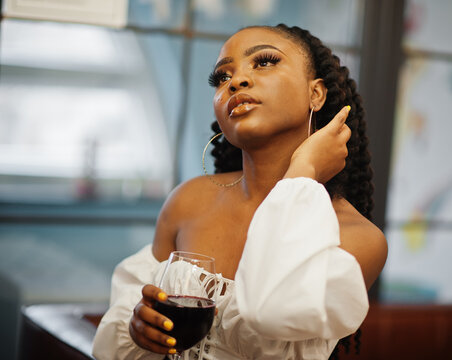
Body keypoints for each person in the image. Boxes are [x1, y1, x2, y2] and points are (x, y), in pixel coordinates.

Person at [92, 24, 387, 360]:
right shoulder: (188, 201)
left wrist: (303, 172)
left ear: (316, 94)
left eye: (263, 62)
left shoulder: (357, 238)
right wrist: (139, 327)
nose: (235, 81)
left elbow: (269, 310)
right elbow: (121, 328)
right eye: (221, 77)